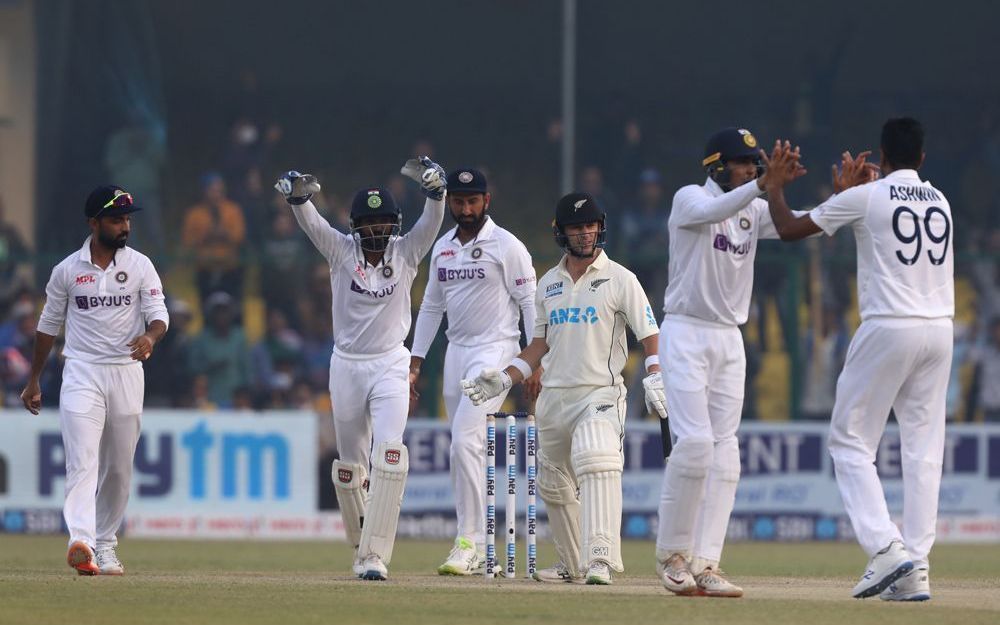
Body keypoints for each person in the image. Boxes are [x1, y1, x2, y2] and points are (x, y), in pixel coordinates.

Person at [653, 128, 868, 598]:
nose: (752, 169)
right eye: (744, 162)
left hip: (730, 338)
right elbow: (714, 211)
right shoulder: (688, 199)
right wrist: (764, 184)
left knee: (726, 454)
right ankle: (672, 554)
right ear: (716, 166)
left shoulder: (752, 206)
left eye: (757, 163)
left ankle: (707, 562)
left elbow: (797, 222)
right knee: (694, 445)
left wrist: (840, 200)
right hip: (686, 330)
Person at [764, 118, 954, 601]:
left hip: (889, 325)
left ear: (881, 157)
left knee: (849, 442)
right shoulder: (941, 201)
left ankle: (886, 547)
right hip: (939, 330)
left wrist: (777, 187)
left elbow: (787, 229)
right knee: (923, 450)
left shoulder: (867, 197)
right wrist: (846, 198)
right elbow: (879, 221)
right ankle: (918, 565)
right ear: (923, 159)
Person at [461, 192, 666, 585]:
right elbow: (540, 344)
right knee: (553, 480)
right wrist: (504, 378)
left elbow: (649, 332)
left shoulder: (621, 278)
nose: (586, 233)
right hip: (554, 396)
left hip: (599, 393)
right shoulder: (549, 284)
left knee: (597, 458)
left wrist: (655, 373)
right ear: (561, 232)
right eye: (577, 227)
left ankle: (602, 559)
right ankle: (574, 564)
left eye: (591, 225)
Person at [274, 157, 446, 581]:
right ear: (355, 225)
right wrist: (299, 199)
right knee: (351, 469)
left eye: (384, 221)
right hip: (347, 365)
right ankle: (362, 546)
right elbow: (313, 224)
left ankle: (375, 556)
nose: (377, 230)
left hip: (391, 363)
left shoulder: (406, 252)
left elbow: (431, 222)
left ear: (394, 223)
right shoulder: (340, 251)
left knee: (390, 456)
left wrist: (436, 191)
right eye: (369, 222)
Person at [19, 186, 169, 575]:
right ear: (94, 223)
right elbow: (47, 327)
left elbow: (159, 314)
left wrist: (149, 338)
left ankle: (106, 544)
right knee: (82, 461)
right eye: (117, 220)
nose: (125, 226)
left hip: (125, 371)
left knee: (118, 467)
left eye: (127, 220)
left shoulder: (140, 265)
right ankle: (81, 541)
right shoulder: (67, 270)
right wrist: (34, 379)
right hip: (82, 371)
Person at [408, 168, 537, 575]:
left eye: (472, 202)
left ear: (487, 201)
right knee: (465, 449)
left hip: (496, 350)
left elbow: (530, 304)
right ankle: (477, 544)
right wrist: (416, 359)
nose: (465, 210)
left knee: (465, 442)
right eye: (459, 203)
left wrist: (534, 362)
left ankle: (470, 542)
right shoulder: (443, 247)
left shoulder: (507, 245)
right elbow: (431, 307)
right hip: (457, 352)